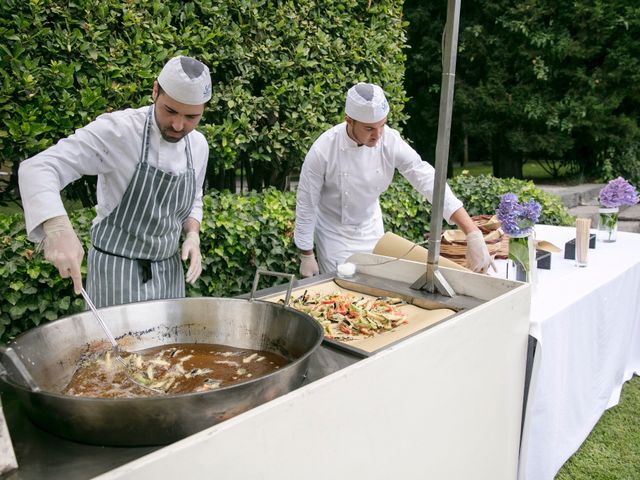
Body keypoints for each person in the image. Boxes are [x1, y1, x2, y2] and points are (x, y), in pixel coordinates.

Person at [19, 55, 212, 308]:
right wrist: (56, 227)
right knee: (113, 348)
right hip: (116, 274)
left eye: (191, 117)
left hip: (169, 274)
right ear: (155, 91)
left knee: (170, 349)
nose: (178, 124)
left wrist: (192, 235)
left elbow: (194, 197)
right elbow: (39, 167)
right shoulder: (118, 131)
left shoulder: (198, 146)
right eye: (170, 110)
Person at [294, 82, 491, 277]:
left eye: (382, 125)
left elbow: (426, 178)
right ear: (349, 120)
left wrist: (471, 231)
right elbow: (306, 203)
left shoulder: (389, 140)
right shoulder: (323, 150)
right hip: (334, 234)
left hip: (372, 227)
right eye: (369, 128)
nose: (378, 135)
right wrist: (306, 254)